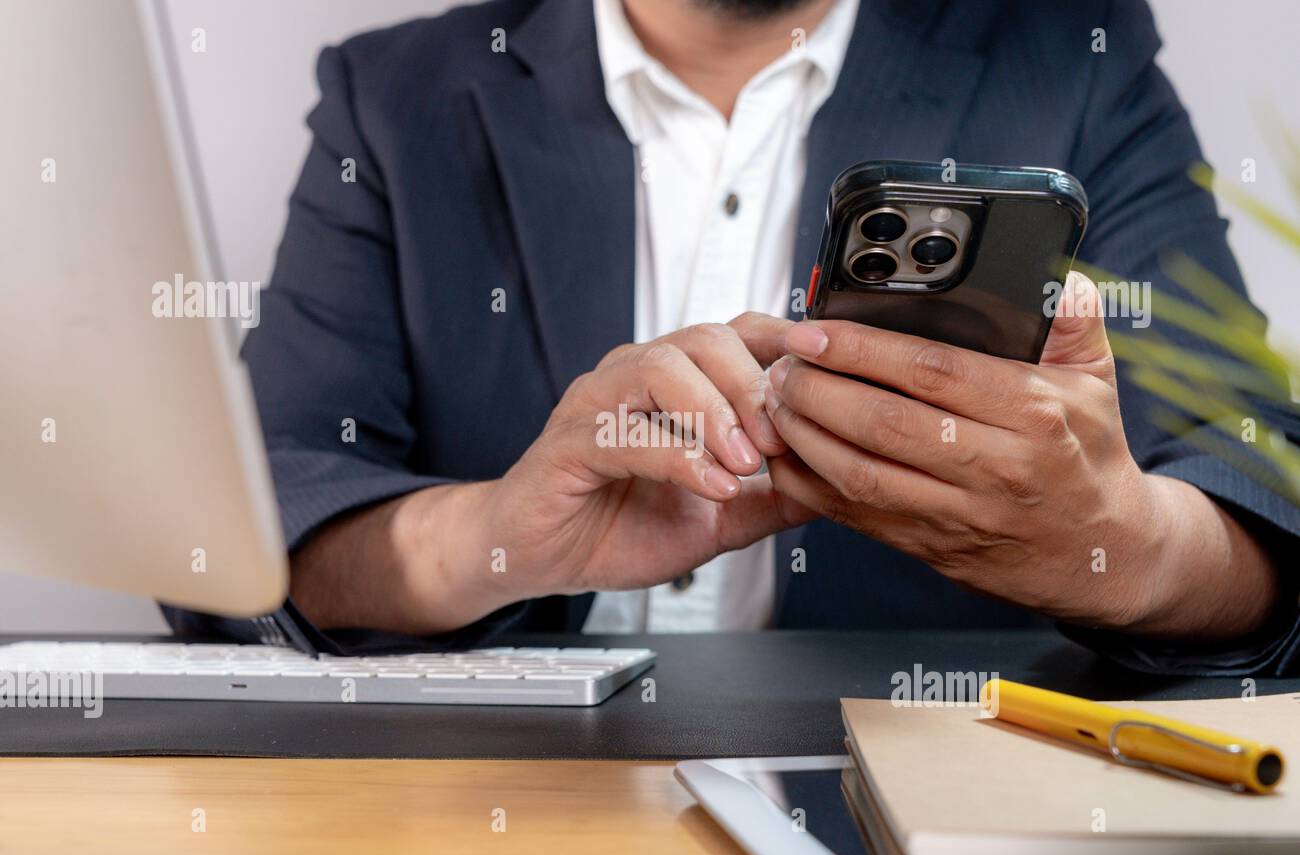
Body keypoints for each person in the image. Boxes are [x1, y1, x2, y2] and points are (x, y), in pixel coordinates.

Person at [168, 0, 1300, 675]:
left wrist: (1124, 546)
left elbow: (1264, 472)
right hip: (496, 816)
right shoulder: (396, 95)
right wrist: (495, 538)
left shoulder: (1072, 59)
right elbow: (242, 524)